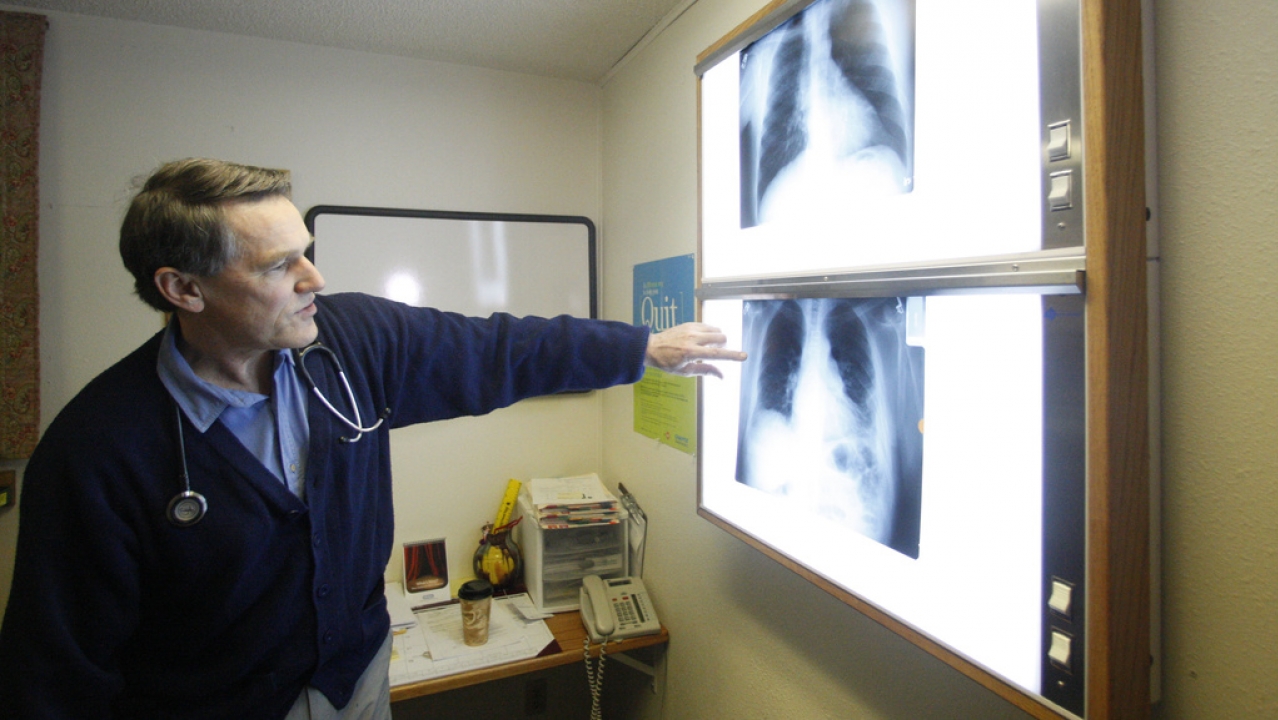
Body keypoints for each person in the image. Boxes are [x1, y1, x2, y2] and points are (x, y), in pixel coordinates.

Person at [0, 158, 745, 719]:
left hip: (354, 680)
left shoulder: (351, 342)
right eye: (277, 264)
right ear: (183, 289)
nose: (314, 277)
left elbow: (495, 350)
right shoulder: (97, 450)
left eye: (307, 249)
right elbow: (57, 672)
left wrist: (640, 348)